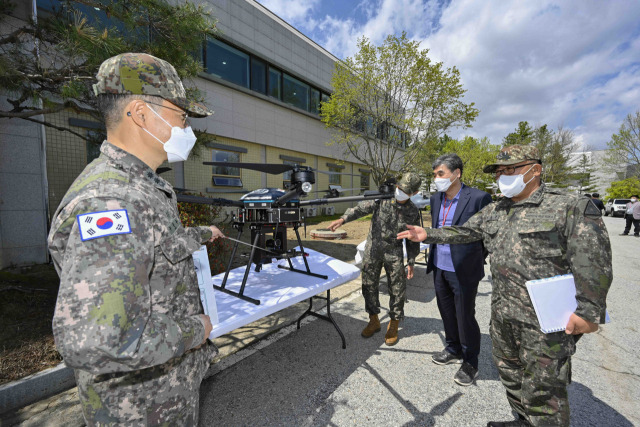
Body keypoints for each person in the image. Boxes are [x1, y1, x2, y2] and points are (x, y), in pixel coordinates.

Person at [47, 53, 224, 425]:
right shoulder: (111, 202)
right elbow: (99, 340)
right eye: (181, 117)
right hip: (139, 408)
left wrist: (201, 234)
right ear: (142, 114)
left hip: (166, 393)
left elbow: (155, 248)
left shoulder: (141, 187)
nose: (186, 129)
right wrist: (197, 329)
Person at [398, 145, 612, 426]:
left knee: (544, 388)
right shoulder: (498, 209)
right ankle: (523, 420)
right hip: (503, 313)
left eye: (510, 169)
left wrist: (589, 312)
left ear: (535, 170)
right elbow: (467, 230)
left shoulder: (568, 206)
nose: (503, 176)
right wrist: (429, 233)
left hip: (545, 320)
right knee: (510, 372)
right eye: (500, 171)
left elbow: (594, 262)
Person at [328, 173, 422, 346]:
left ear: (414, 193)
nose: (400, 191)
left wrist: (411, 262)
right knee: (369, 285)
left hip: (394, 252)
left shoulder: (413, 211)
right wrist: (343, 219)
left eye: (405, 190)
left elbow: (413, 237)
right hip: (373, 250)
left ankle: (393, 324)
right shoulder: (382, 199)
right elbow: (360, 209)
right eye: (399, 188)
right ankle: (374, 320)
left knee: (397, 289)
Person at [427, 154, 492, 386]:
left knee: (465, 316)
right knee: (446, 311)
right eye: (434, 174)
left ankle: (470, 361)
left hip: (463, 270)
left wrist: (473, 259)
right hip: (439, 267)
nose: (436, 178)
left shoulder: (478, 198)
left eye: (440, 173)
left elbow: (485, 237)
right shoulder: (436, 199)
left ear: (457, 174)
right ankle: (453, 348)